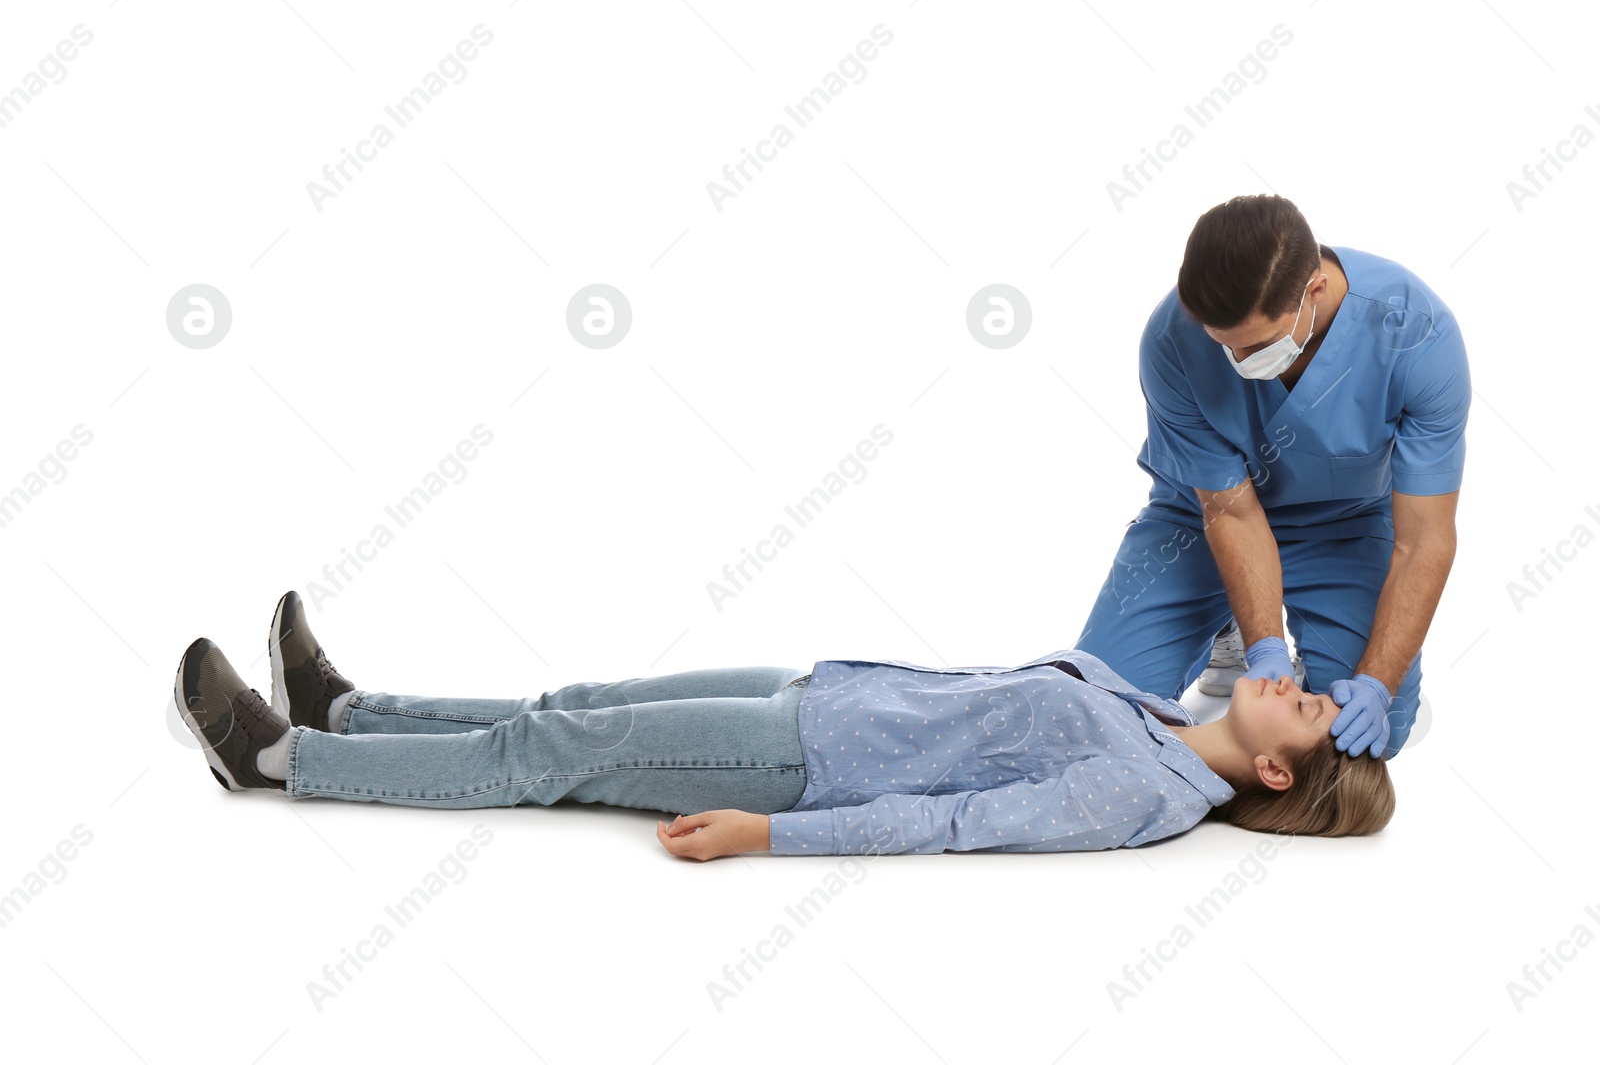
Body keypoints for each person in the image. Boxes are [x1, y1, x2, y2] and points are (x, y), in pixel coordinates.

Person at [172, 592, 1393, 860]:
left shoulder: (1148, 797)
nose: (1303, 681)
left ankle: (281, 758)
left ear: (1278, 765)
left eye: (1311, 709)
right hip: (818, 692)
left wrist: (770, 836)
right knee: (575, 707)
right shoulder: (1164, 720)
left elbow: (956, 822)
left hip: (797, 762)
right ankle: (355, 709)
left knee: (545, 757)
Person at [1075, 195, 1469, 760]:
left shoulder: (1416, 335)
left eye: (1258, 345)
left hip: (1344, 526)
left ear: (1314, 290)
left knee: (1363, 741)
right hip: (1203, 521)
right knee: (1100, 718)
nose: (1238, 361)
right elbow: (1231, 510)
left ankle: (1312, 643)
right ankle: (1230, 634)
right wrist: (1265, 647)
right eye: (1223, 343)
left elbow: (1424, 538)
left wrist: (1378, 683)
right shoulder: (1171, 339)